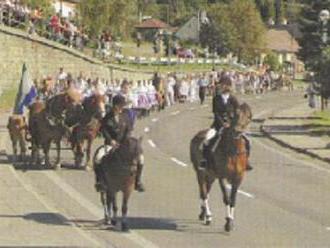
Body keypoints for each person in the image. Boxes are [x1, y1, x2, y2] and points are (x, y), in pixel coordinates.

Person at [199, 77, 253, 171]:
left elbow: (238, 112)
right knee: (207, 139)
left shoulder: (233, 99)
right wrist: (222, 123)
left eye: (223, 85)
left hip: (232, 126)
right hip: (218, 124)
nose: (221, 86)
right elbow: (216, 113)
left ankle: (246, 160)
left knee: (248, 141)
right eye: (221, 85)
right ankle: (205, 160)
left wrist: (234, 123)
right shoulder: (216, 98)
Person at [98, 95, 145, 192]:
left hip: (124, 143)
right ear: (115, 106)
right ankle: (101, 181)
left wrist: (125, 140)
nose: (122, 108)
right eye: (120, 106)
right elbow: (103, 129)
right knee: (98, 157)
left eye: (122, 106)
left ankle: (138, 181)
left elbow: (129, 129)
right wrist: (111, 140)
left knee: (140, 158)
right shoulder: (107, 117)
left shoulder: (125, 116)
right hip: (110, 144)